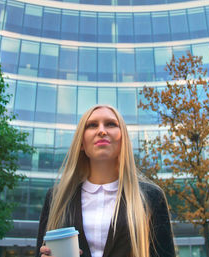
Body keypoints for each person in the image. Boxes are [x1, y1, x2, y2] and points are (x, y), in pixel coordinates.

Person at [36, 105, 175, 257]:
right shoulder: (56, 198)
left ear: (123, 138)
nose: (101, 131)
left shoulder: (151, 197)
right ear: (81, 142)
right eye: (92, 125)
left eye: (111, 124)